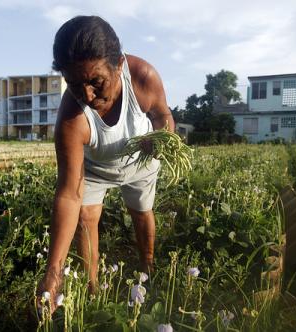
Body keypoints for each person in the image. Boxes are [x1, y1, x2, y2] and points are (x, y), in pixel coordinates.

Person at [37, 15, 174, 311]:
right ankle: (93, 290)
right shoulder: (72, 120)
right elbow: (69, 193)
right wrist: (53, 272)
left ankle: (148, 267)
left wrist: (162, 140)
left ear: (119, 64)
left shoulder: (143, 78)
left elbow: (163, 116)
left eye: (96, 82)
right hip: (97, 168)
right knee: (86, 216)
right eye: (74, 84)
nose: (87, 95)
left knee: (141, 212)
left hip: (141, 158)